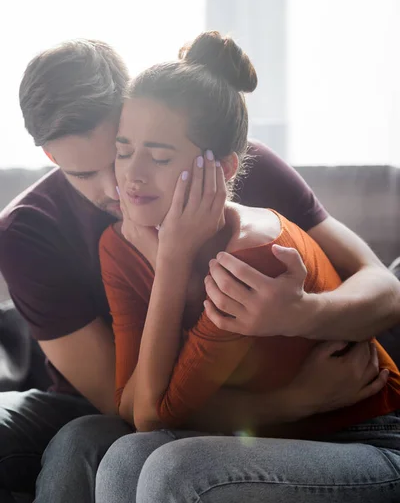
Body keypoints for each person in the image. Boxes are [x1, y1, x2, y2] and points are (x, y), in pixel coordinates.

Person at [0, 38, 399, 501]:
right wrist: (291, 402)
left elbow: (384, 287)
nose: (119, 184)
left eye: (118, 152)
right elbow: (133, 408)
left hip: (341, 421)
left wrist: (299, 312)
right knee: (87, 441)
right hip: (127, 403)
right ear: (52, 157)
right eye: (84, 175)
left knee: (156, 462)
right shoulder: (38, 232)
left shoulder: (230, 168)